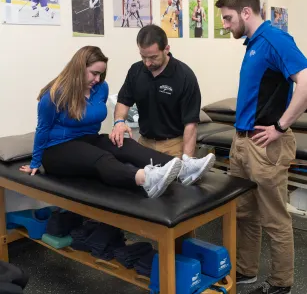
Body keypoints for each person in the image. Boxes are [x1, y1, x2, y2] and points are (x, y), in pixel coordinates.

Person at [216, 0, 307, 294]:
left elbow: (306, 82)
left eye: (227, 18)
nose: (225, 25)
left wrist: (281, 126)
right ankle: (246, 270)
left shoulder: (274, 39)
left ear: (245, 12)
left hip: (265, 146)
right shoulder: (253, 43)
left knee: (274, 217)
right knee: (245, 213)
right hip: (242, 142)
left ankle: (281, 282)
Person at [19, 46, 212, 198]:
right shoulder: (54, 95)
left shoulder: (100, 88)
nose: (97, 79)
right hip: (56, 150)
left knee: (124, 145)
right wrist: (35, 162)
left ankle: (182, 169)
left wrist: (117, 125)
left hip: (88, 139)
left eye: (101, 74)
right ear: (78, 68)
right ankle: (146, 179)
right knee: (101, 157)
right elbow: (42, 129)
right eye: (93, 73)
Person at [110, 25, 216, 185]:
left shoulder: (184, 76)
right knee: (142, 192)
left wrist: (186, 161)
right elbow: (123, 101)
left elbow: (191, 125)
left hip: (173, 145)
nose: (147, 63)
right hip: (144, 143)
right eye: (143, 56)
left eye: (153, 57)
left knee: (173, 195)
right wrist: (119, 122)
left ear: (166, 49)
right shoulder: (136, 71)